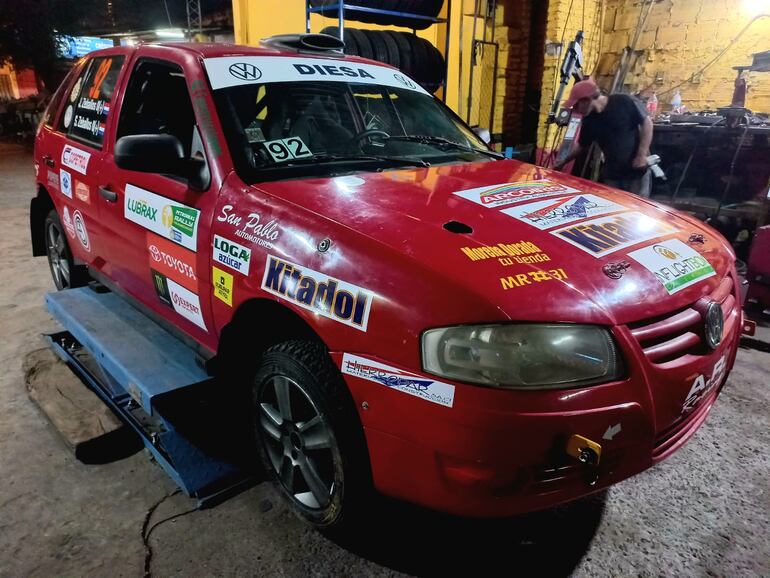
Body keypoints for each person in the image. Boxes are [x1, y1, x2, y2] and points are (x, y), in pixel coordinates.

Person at [554, 79, 654, 197]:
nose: (576, 110)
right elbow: (582, 145)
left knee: (636, 211)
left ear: (587, 100)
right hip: (612, 174)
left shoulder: (623, 102)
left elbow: (647, 123)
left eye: (576, 105)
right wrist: (562, 162)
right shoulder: (589, 120)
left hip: (636, 172)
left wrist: (641, 155)